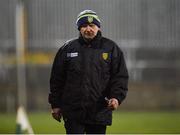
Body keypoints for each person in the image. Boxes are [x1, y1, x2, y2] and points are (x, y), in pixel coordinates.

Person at [48, 9, 129, 134]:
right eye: (84, 26)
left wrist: (116, 98)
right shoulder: (67, 49)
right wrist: (55, 104)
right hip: (73, 112)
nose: (88, 29)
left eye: (92, 25)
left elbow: (120, 77)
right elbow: (57, 79)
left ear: (98, 27)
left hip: (99, 111)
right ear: (79, 28)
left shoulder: (111, 48)